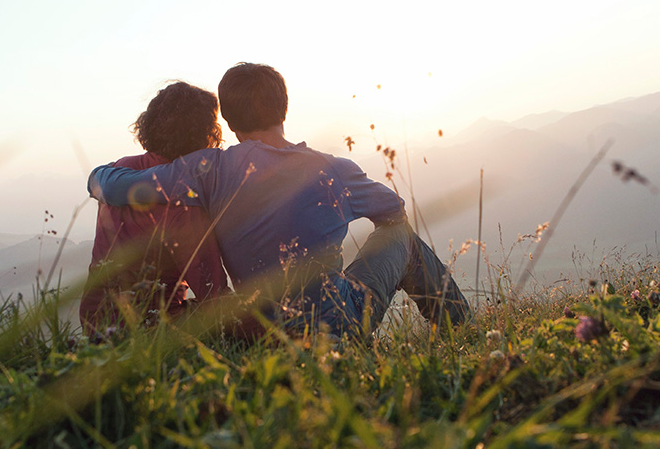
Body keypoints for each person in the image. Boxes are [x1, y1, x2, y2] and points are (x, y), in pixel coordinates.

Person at [88, 63, 470, 337]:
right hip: (338, 325)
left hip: (266, 330)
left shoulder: (207, 169)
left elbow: (116, 187)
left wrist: (98, 175)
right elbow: (393, 211)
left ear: (231, 123)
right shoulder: (333, 169)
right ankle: (463, 332)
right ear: (284, 108)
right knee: (402, 238)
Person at [80, 82, 229, 335]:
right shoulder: (183, 201)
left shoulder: (120, 169)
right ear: (207, 133)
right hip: (151, 328)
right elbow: (212, 293)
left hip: (95, 321)